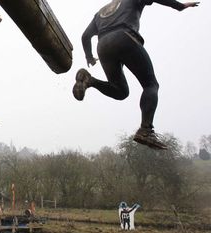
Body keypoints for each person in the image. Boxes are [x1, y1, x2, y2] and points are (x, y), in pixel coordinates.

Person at [73, 0, 199, 149]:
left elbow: (85, 36)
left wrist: (89, 56)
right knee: (150, 84)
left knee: (120, 91)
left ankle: (90, 80)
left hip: (103, 46)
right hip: (124, 37)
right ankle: (145, 130)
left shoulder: (101, 12)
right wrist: (180, 6)